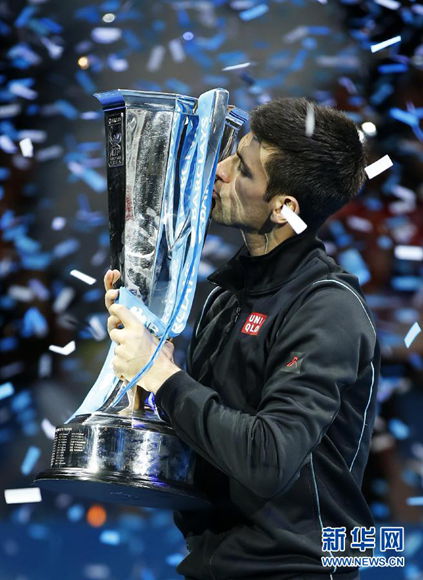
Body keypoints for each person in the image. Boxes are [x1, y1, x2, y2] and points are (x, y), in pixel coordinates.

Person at [104, 97, 380, 580]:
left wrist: (164, 375)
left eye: (243, 169)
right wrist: (144, 390)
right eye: (233, 152)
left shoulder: (328, 309)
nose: (220, 169)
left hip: (297, 570)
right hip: (213, 563)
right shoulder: (224, 294)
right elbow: (213, 437)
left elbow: (267, 460)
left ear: (283, 208)